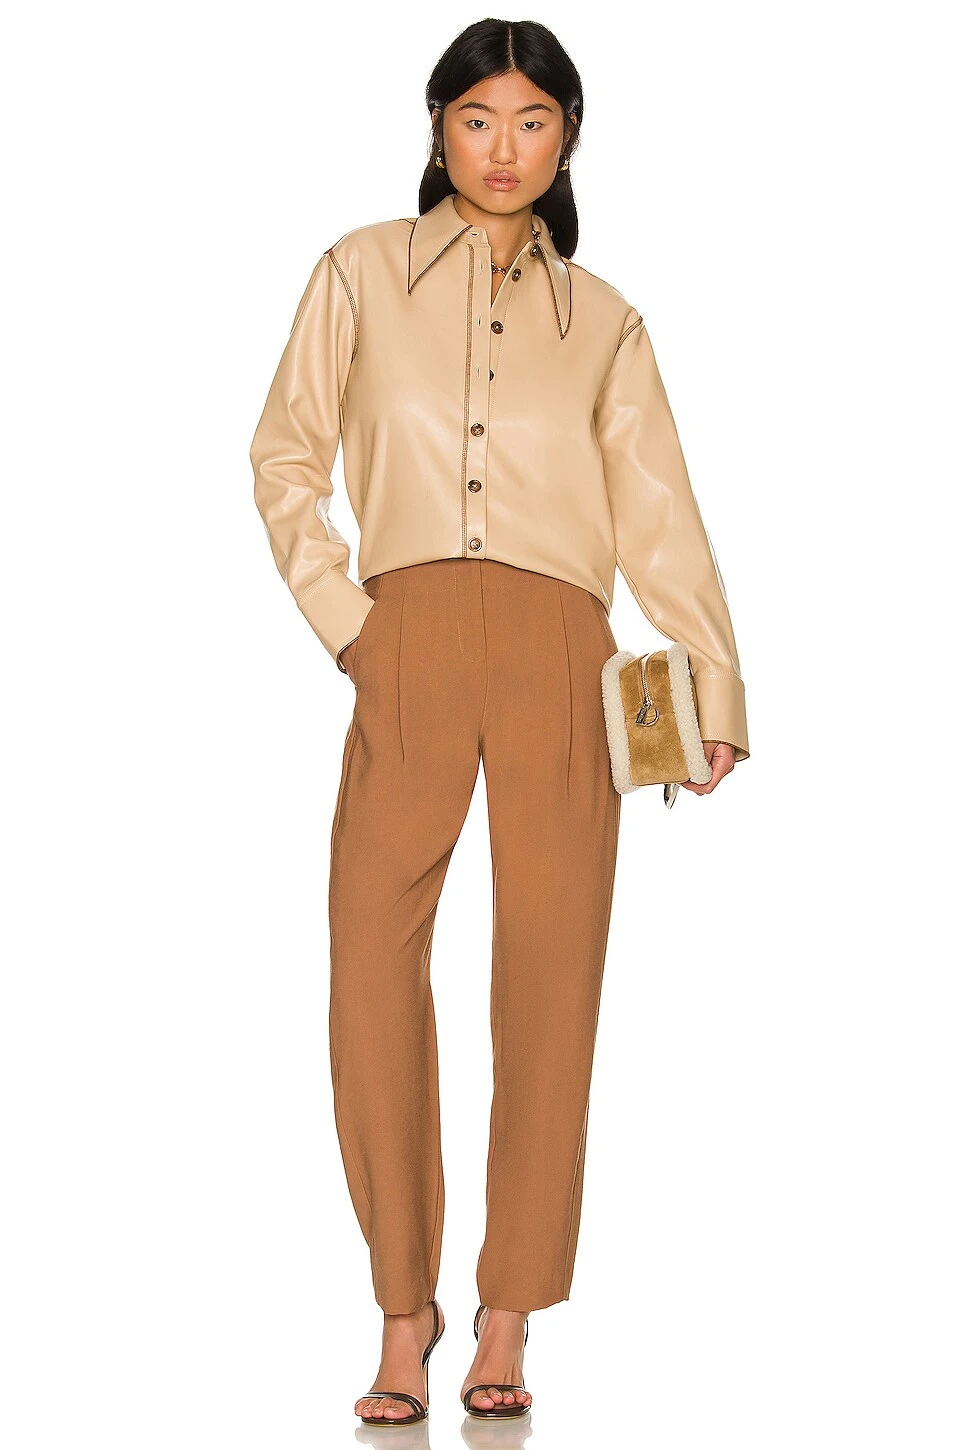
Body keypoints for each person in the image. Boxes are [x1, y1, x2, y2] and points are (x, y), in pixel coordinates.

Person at [249, 17, 750, 1427]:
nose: (504, 148)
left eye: (533, 121)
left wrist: (708, 687)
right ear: (438, 128)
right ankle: (401, 1308)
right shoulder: (358, 273)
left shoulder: (607, 324)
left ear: (568, 138)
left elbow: (660, 514)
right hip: (403, 635)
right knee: (369, 960)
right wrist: (351, 622)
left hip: (562, 653)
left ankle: (510, 1312)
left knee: (550, 978)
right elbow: (284, 454)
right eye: (479, 119)